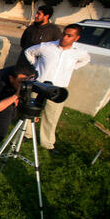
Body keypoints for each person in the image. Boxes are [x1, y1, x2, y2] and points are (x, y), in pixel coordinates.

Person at [24, 24, 91, 154]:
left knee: (51, 116)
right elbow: (29, 51)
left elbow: (86, 60)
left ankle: (47, 143)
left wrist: (72, 68)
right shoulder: (46, 47)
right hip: (40, 85)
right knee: (31, 111)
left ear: (76, 38)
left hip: (58, 89)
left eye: (69, 35)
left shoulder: (80, 52)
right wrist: (36, 65)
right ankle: (27, 134)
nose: (64, 37)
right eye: (64, 34)